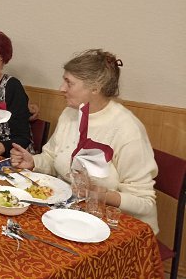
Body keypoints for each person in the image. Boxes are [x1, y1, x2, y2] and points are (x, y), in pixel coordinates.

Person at [10, 49, 158, 233]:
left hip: (119, 227)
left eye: (69, 83)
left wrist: (99, 193)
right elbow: (52, 157)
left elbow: (145, 202)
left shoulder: (127, 129)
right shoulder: (71, 113)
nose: (61, 88)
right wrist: (33, 162)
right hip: (75, 214)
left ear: (95, 88)